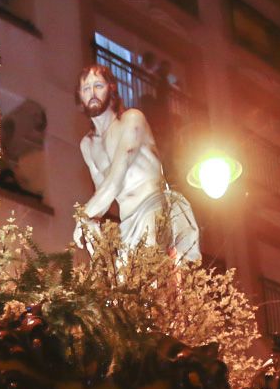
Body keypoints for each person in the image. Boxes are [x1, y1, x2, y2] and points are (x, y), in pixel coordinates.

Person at [73, 61, 201, 263]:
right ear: (79, 95)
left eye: (98, 85)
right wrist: (91, 221)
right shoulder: (88, 145)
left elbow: (116, 180)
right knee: (127, 287)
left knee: (147, 280)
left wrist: (84, 216)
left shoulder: (132, 120)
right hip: (127, 221)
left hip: (152, 209)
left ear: (111, 88)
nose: (92, 93)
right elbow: (103, 192)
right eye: (86, 88)